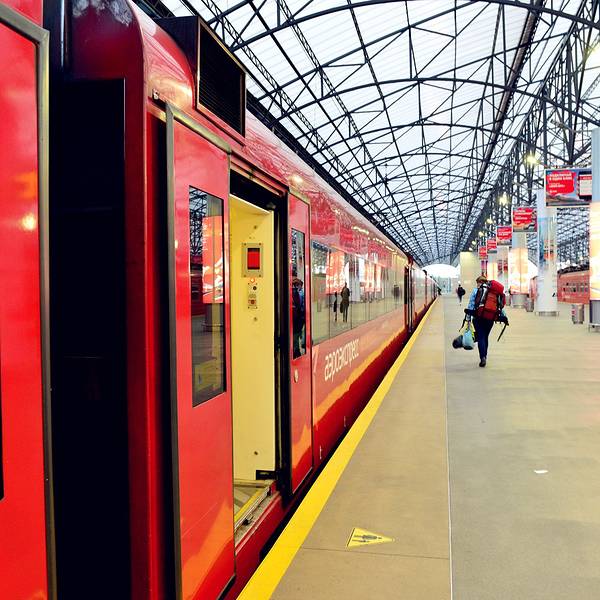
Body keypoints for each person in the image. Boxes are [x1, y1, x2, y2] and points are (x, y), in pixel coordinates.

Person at [465, 275, 509, 368]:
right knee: (485, 337)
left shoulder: (476, 291)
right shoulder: (494, 292)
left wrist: (468, 318)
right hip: (490, 318)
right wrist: (504, 317)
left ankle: (482, 358)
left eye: (477, 283)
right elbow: (500, 306)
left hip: (478, 318)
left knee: (480, 337)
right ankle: (485, 356)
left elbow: (471, 305)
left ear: (479, 282)